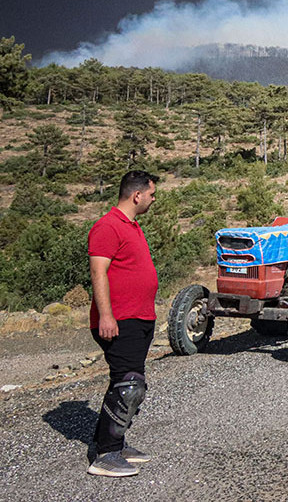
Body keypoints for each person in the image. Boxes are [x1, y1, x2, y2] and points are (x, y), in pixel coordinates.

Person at [87, 171, 160, 477]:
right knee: (129, 386)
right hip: (119, 319)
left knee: (127, 383)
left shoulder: (132, 226)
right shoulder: (107, 226)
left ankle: (114, 442)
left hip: (139, 317)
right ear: (136, 195)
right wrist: (106, 315)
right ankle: (106, 455)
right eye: (152, 194)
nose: (153, 200)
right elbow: (98, 272)